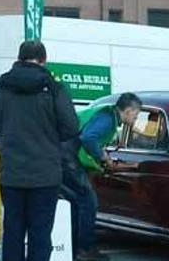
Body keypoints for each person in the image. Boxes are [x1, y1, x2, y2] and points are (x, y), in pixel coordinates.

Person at [0, 40, 79, 261]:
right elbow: (71, 126)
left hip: (11, 172)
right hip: (45, 174)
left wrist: (8, 133)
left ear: (19, 58)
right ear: (43, 60)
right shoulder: (54, 87)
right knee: (41, 234)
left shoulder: (0, 84)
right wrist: (50, 138)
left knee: (13, 232)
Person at [61, 93, 142, 261]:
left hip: (64, 156)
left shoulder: (108, 116)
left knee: (78, 204)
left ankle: (76, 249)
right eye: (136, 114)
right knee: (88, 202)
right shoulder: (108, 119)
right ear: (128, 110)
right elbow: (88, 138)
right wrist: (103, 157)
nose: (135, 119)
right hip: (69, 158)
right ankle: (85, 250)